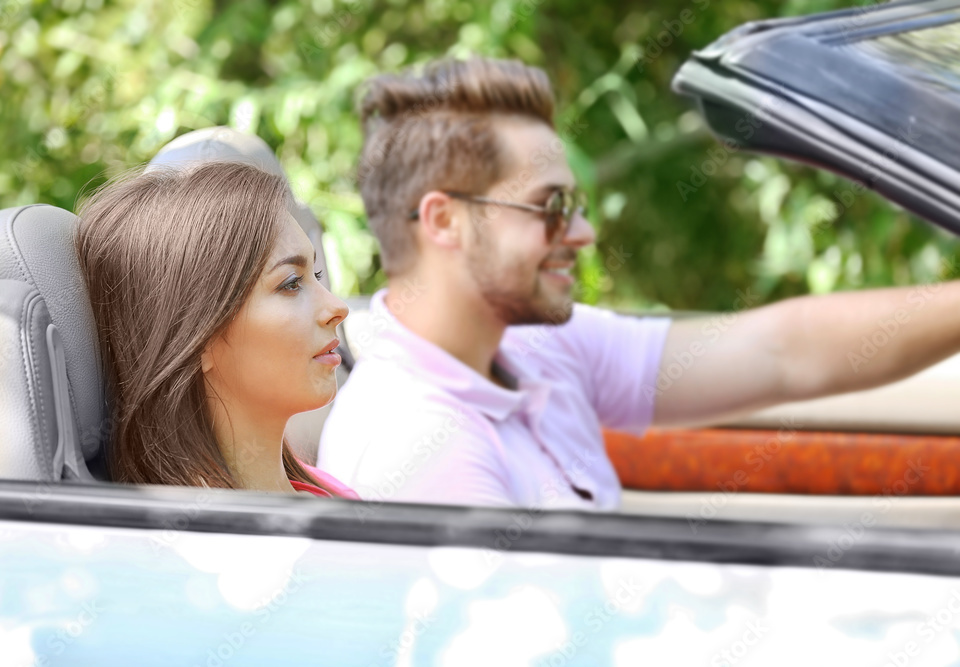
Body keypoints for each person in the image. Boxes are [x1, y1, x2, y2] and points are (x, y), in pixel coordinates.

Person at [316, 56, 960, 510]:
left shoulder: (528, 348)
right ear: (445, 221)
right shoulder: (423, 445)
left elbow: (782, 352)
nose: (584, 234)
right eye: (551, 208)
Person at [76, 161, 357, 499]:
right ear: (194, 337)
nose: (337, 308)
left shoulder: (326, 491)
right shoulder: (212, 531)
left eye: (317, 275)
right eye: (291, 283)